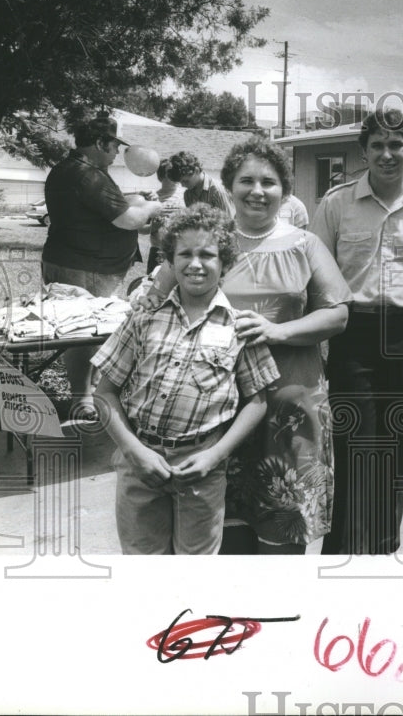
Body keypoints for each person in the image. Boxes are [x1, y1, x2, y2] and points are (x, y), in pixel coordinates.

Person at [143, 138, 352, 555]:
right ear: (229, 186)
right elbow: (152, 305)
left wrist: (280, 332)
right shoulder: (204, 242)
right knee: (224, 533)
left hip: (290, 405)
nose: (258, 191)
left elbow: (339, 313)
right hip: (216, 412)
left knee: (282, 532)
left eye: (269, 182)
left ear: (284, 191)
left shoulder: (304, 243)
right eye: (247, 181)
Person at [92, 205, 280, 554]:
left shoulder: (239, 326)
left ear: (225, 262)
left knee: (196, 567)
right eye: (185, 254)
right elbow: (104, 394)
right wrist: (134, 452)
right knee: (143, 563)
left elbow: (258, 401)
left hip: (202, 468)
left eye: (207, 254)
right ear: (169, 260)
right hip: (140, 465)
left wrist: (216, 455)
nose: (196, 264)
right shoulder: (145, 318)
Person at [310, 107, 403, 555]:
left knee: (394, 445)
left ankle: (384, 548)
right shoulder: (336, 204)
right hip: (351, 332)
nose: (387, 154)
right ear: (364, 152)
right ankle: (345, 550)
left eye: (396, 145)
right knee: (354, 444)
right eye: (377, 145)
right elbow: (314, 279)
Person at [41, 113, 163, 419]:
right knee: (83, 336)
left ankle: (89, 395)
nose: (116, 154)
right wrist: (153, 206)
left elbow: (107, 204)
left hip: (73, 261)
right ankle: (83, 401)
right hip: (85, 267)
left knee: (86, 334)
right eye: (113, 147)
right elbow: (129, 219)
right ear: (99, 143)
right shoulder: (88, 174)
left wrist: (135, 198)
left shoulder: (70, 169)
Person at [141, 158, 186, 273]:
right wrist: (153, 227)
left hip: (181, 251)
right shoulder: (152, 197)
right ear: (161, 176)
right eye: (169, 172)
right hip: (158, 252)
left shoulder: (186, 196)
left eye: (176, 172)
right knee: (153, 286)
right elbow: (140, 229)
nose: (174, 176)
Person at [169, 150, 235, 217]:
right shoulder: (188, 195)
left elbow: (230, 223)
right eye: (180, 182)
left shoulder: (217, 191)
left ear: (197, 171)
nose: (183, 185)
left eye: (186, 181)